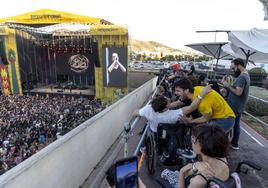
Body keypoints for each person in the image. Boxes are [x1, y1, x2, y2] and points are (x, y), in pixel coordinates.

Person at [132, 85, 212, 135]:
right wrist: (202, 94)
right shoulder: (173, 115)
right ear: (166, 108)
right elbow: (192, 107)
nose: (169, 100)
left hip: (154, 132)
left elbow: (135, 112)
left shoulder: (148, 109)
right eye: (168, 101)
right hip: (168, 133)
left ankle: (142, 149)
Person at [222, 58, 250, 150]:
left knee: (229, 124)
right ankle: (234, 143)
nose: (232, 70)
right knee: (236, 125)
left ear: (239, 66)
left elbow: (238, 92)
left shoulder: (242, 77)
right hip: (238, 106)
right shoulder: (245, 75)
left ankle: (225, 144)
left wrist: (227, 85)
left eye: (233, 68)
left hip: (235, 106)